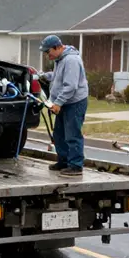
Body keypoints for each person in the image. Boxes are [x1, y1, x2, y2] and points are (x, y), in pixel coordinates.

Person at [40, 35, 89, 176]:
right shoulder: (60, 59)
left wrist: (58, 103)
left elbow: (71, 86)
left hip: (74, 102)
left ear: (56, 47)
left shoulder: (71, 60)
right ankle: (64, 161)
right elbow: (58, 77)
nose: (47, 55)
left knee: (72, 134)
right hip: (64, 102)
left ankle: (75, 165)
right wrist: (44, 76)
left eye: (48, 52)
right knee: (59, 134)